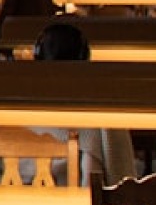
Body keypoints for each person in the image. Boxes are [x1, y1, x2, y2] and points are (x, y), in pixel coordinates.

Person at [31, 23, 135, 183]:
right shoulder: (98, 116)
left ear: (36, 56)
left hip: (2, 202)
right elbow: (121, 174)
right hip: (74, 203)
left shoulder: (4, 104)